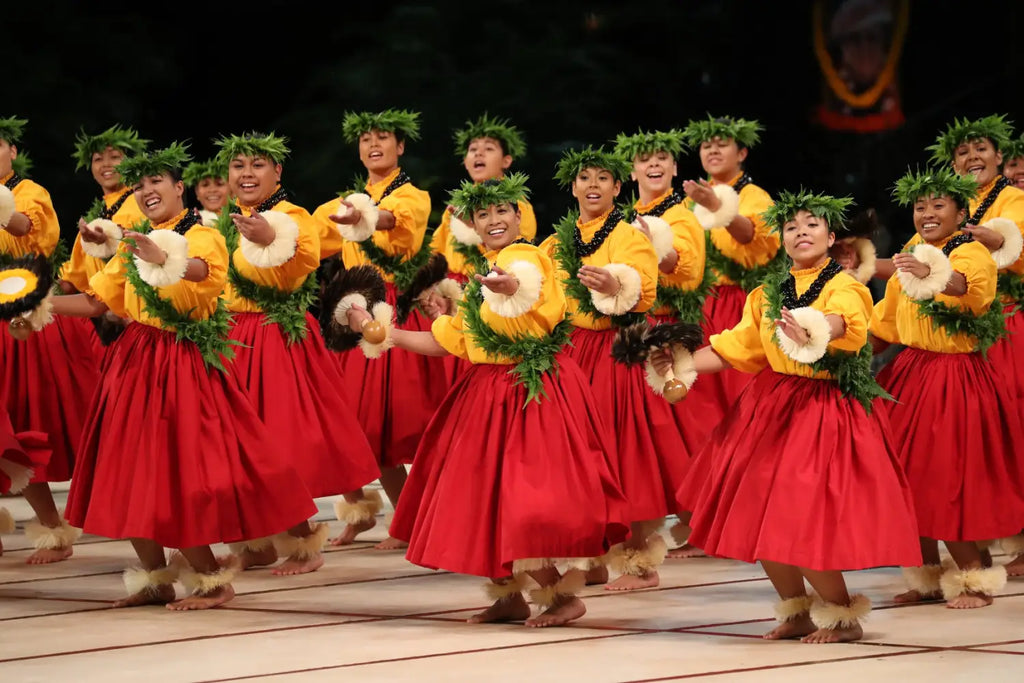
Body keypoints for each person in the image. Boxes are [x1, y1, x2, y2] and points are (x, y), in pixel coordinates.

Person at [343, 174, 628, 627]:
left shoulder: (526, 258)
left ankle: (559, 596)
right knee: (484, 495)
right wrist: (377, 330)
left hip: (530, 389)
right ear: (472, 224)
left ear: (519, 216)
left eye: (502, 211)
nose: (493, 220)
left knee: (519, 497)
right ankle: (509, 596)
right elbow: (450, 341)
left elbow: (527, 289)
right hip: (489, 389)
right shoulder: (484, 271)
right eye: (483, 214)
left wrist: (510, 288)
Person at [47, 143, 316, 609]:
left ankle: (213, 579)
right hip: (133, 359)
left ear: (178, 187)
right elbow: (96, 301)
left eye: (156, 182)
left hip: (180, 359)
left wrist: (158, 256)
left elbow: (201, 274)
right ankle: (153, 578)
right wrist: (33, 305)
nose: (147, 190)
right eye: (140, 185)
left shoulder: (200, 233)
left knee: (175, 472)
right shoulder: (134, 241)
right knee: (125, 468)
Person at [666, 190, 919, 643]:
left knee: (800, 515)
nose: (801, 232)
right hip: (772, 403)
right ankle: (796, 610)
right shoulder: (766, 293)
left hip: (825, 408)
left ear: (831, 235)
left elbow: (847, 325)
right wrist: (680, 363)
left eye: (811, 225)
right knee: (757, 506)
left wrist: (814, 330)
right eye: (791, 226)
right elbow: (736, 346)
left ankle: (843, 615)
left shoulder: (846, 286)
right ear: (782, 239)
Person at [212, 132, 380, 575]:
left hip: (273, 336)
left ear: (277, 172)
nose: (246, 174)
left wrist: (268, 235)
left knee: (276, 440)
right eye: (238, 166)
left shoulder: (292, 217)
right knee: (237, 444)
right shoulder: (226, 219)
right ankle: (257, 542)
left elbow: (298, 253)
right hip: (233, 336)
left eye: (257, 165)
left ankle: (304, 541)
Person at [870, 167, 1024, 608]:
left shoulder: (972, 251)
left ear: (961, 211)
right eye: (921, 207)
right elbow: (888, 318)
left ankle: (973, 578)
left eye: (939, 205)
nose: (928, 213)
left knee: (948, 476)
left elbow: (968, 291)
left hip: (955, 375)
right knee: (904, 475)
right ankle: (928, 577)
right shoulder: (911, 251)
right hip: (911, 372)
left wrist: (929, 271)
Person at [541, 147, 678, 592]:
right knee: (580, 455)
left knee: (623, 452)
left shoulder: (626, 235)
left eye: (603, 178)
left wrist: (616, 283)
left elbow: (645, 287)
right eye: (585, 178)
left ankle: (639, 562)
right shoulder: (557, 241)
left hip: (618, 348)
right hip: (573, 349)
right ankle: (593, 559)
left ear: (618, 188)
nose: (593, 185)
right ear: (574, 187)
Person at [312, 110, 441, 550]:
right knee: (351, 423)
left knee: (397, 425)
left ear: (400, 147)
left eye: (383, 138)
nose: (373, 145)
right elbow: (310, 237)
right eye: (366, 139)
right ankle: (370, 511)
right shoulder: (346, 202)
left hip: (393, 310)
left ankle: (412, 518)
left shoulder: (413, 197)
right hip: (354, 309)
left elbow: (390, 222)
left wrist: (362, 219)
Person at [0, 117, 97, 563]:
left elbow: (22, 229)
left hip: (24, 322)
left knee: (25, 422)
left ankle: (55, 527)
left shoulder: (29, 192)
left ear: (13, 151)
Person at [614, 128, 711, 557]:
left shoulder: (681, 216)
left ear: (674, 168)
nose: (653, 165)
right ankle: (690, 523)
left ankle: (700, 522)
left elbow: (681, 267)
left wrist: (655, 245)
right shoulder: (628, 213)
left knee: (674, 433)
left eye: (662, 159)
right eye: (644, 159)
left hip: (667, 329)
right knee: (657, 437)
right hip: (635, 329)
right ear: (632, 171)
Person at [680, 115, 779, 436]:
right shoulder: (689, 200)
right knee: (699, 401)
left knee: (742, 394)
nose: (713, 150)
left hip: (740, 305)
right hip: (700, 307)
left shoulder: (755, 196)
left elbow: (754, 236)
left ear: (742, 153)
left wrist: (717, 207)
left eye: (722, 144)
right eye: (707, 145)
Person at [183, 157, 230, 225]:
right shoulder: (187, 225)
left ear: (233, 190)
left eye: (219, 184)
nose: (212, 190)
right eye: (205, 185)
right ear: (197, 192)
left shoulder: (244, 221)